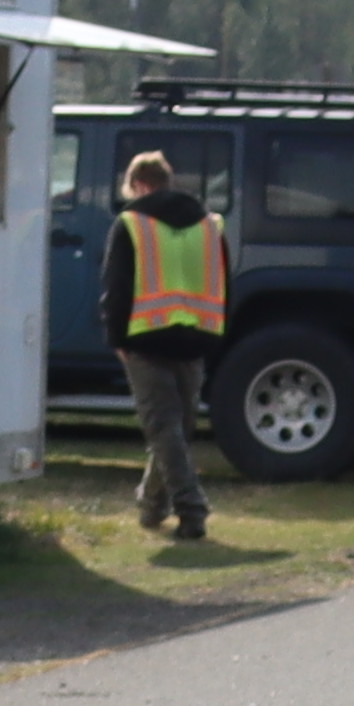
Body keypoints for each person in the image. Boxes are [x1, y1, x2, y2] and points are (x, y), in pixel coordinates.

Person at [105, 147, 230, 537]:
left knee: (163, 428)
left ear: (140, 184)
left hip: (146, 336)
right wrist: (218, 332)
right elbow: (226, 280)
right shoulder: (210, 224)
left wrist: (116, 337)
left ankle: (192, 510)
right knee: (176, 430)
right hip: (196, 336)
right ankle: (150, 506)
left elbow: (116, 284)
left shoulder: (131, 224)